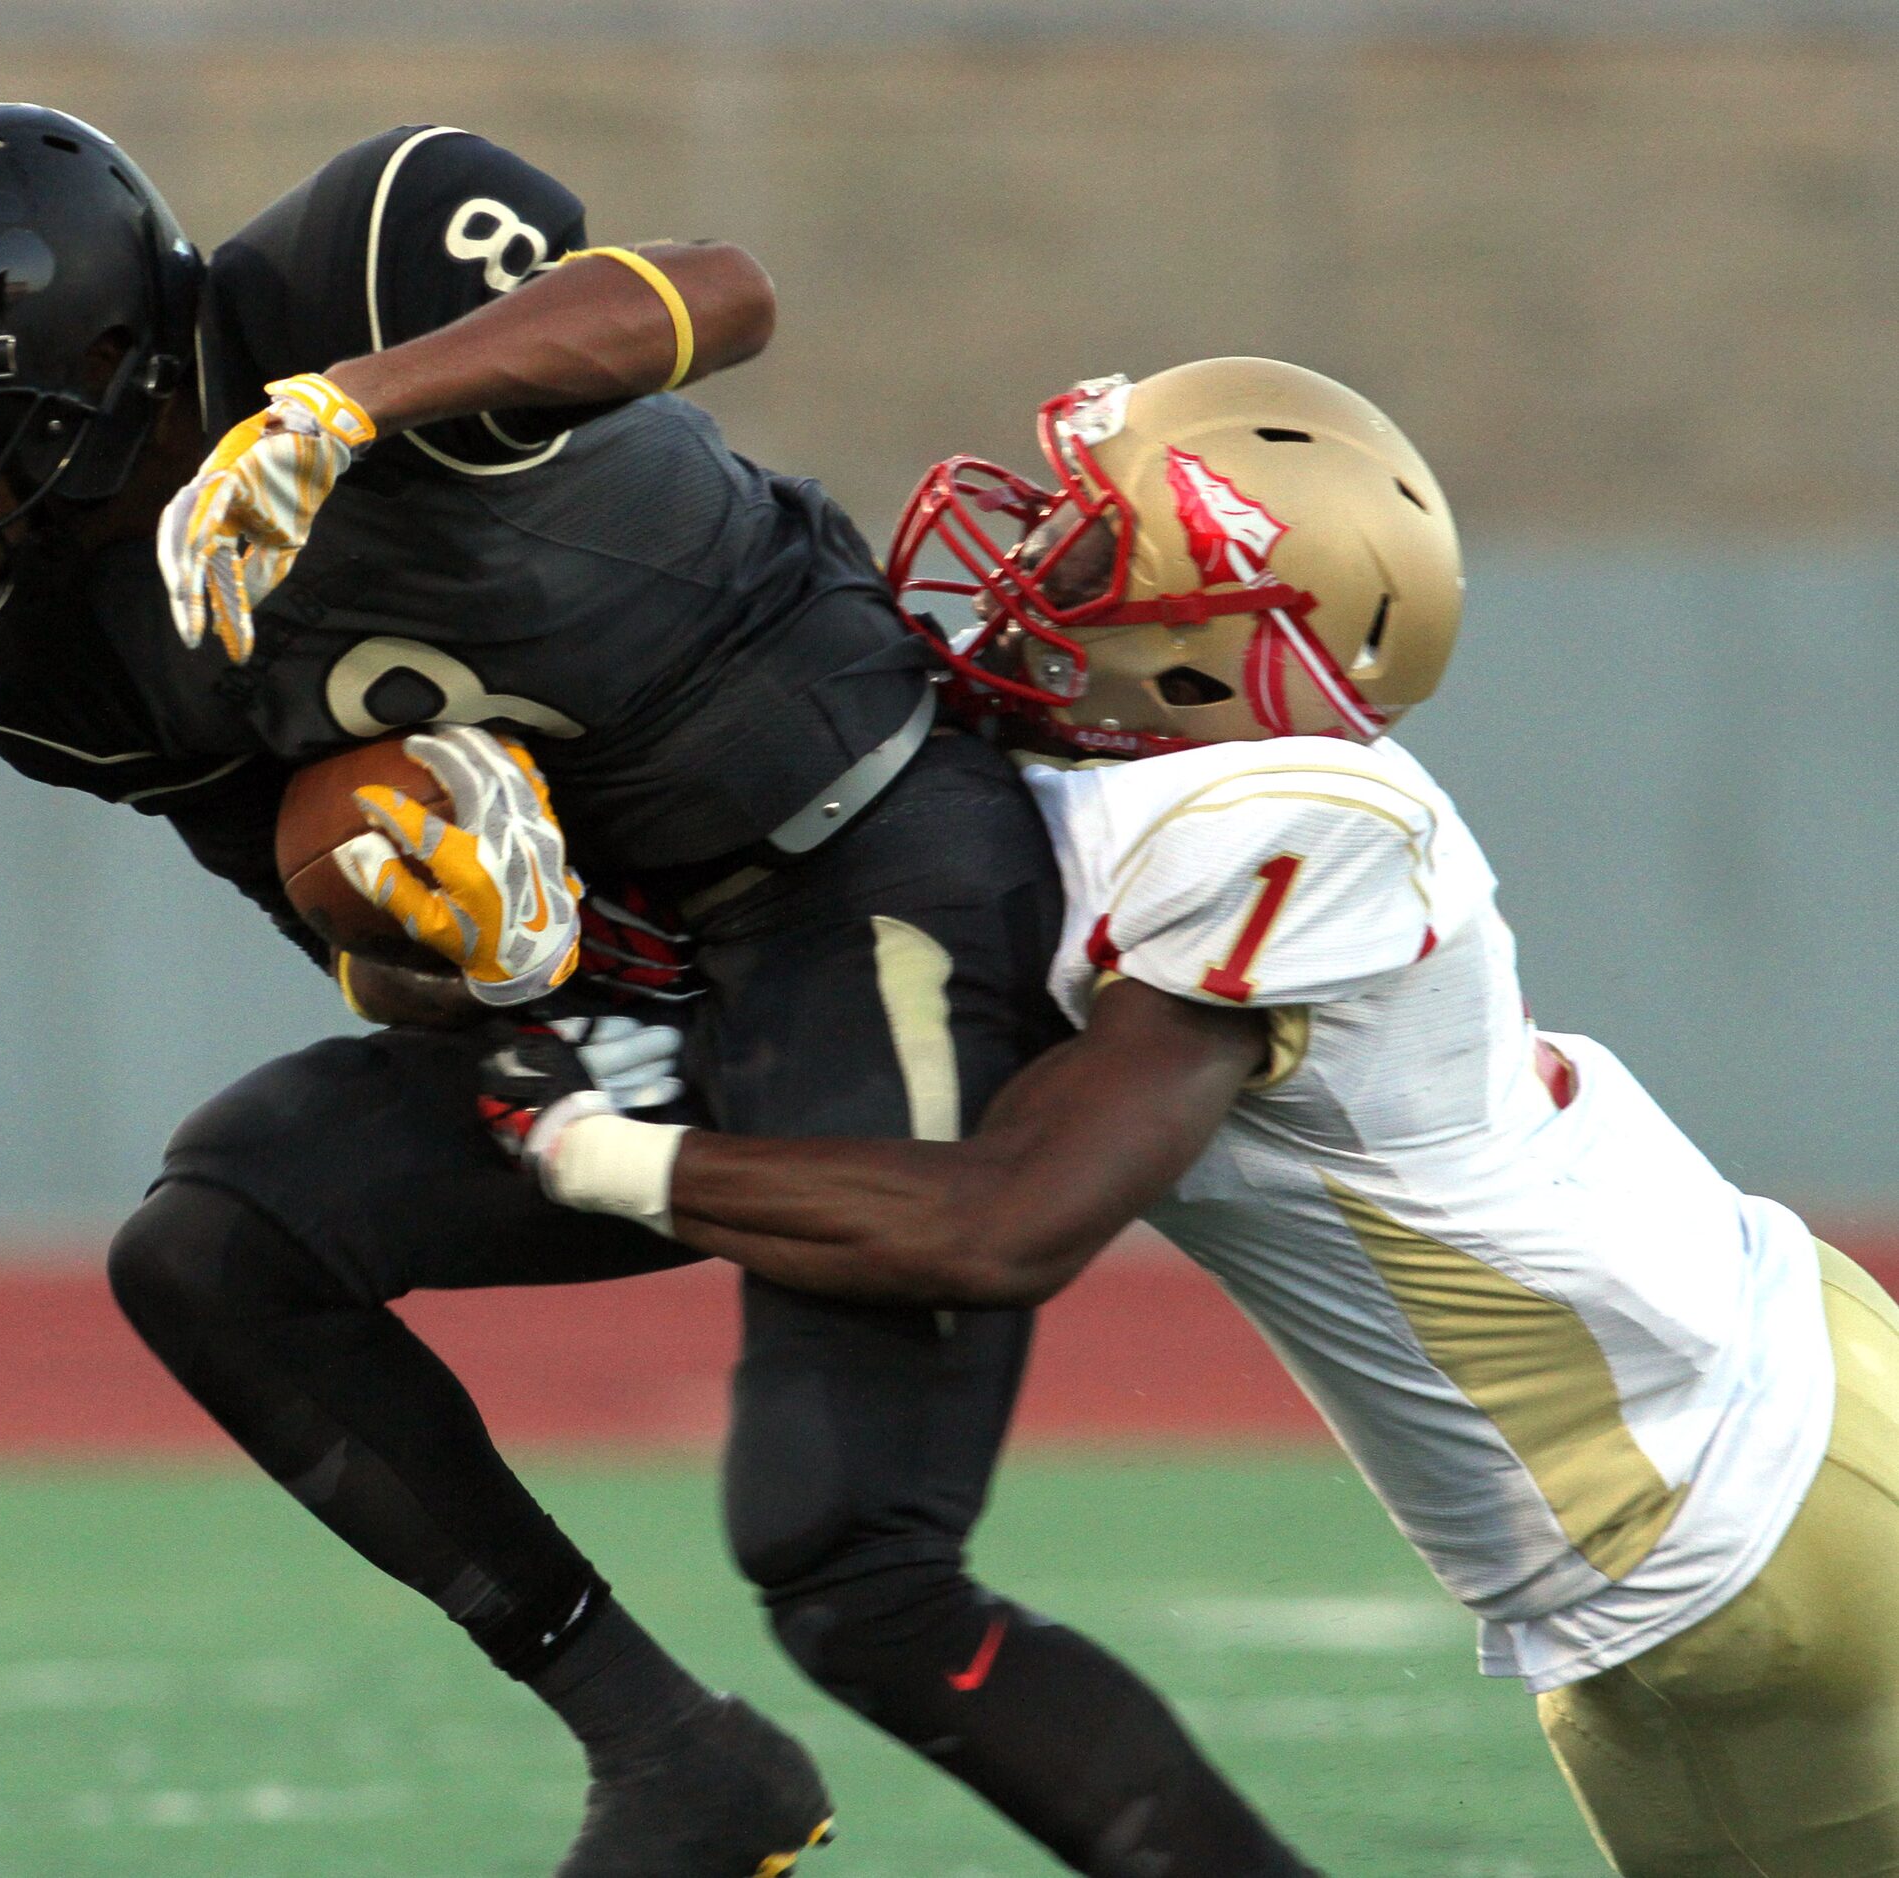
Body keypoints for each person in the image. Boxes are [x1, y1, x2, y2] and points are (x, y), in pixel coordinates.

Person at [0, 106, 1317, 1876]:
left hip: (870, 869)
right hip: (645, 981)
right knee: (214, 1244)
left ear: (112, 359)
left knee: (852, 1563)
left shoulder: (347, 267)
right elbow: (341, 935)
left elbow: (721, 294)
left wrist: (356, 401)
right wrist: (447, 937)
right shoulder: (35, 647)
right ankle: (666, 1749)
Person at [498, 356, 1899, 1878]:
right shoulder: (1096, 773)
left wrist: (587, 1148)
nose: (1026, 560)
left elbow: (1003, 1219)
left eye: (1087, 544)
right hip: (1729, 1458)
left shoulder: (1289, 817)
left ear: (1217, 643)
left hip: (1729, 1516)